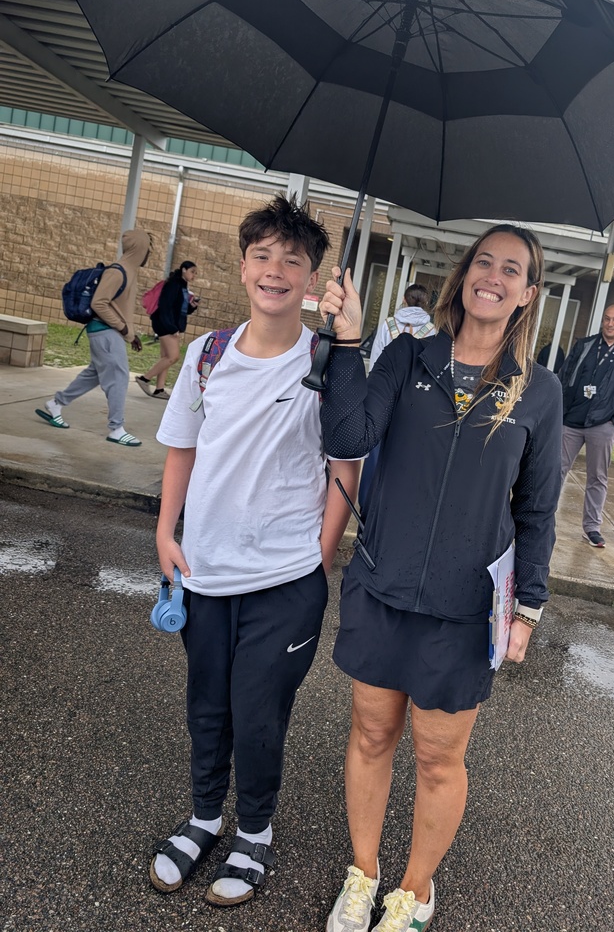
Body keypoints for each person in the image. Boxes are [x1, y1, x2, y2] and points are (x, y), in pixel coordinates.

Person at [319, 224, 562, 932]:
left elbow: (537, 508)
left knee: (437, 758)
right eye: (484, 261)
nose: (493, 276)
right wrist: (346, 343)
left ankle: (413, 891)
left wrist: (528, 608)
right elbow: (347, 437)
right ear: (463, 275)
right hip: (383, 585)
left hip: (465, 608)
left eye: (511, 269)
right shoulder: (408, 355)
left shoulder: (538, 392)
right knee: (371, 736)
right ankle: (362, 875)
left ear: (528, 293)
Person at [149, 195, 359, 910]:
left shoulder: (327, 361)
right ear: (242, 267)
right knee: (208, 706)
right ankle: (205, 818)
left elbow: (346, 465)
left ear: (312, 279)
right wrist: (166, 532)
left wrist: (319, 556)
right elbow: (182, 446)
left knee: (258, 712)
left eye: (292, 260)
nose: (275, 271)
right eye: (262, 256)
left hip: (285, 579)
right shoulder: (208, 355)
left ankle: (255, 833)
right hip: (205, 572)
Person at [34, 229, 151, 447]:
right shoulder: (117, 272)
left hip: (109, 332)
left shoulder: (130, 271)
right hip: (105, 331)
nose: (149, 254)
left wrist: (130, 334)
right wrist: (124, 329)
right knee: (119, 378)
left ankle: (56, 404)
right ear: (139, 249)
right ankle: (116, 429)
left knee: (94, 374)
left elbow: (119, 308)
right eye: (147, 249)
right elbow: (99, 303)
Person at [559, 304, 614, 548]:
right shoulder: (585, 345)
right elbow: (564, 376)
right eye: (607, 319)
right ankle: (542, 517)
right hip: (571, 421)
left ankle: (592, 528)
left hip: (603, 423)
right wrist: (560, 409)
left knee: (597, 477)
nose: (610, 324)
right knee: (555, 470)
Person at [359, 284, 435, 510]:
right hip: (412, 397)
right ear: (426, 303)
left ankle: (367, 502)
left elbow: (376, 360)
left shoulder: (388, 325)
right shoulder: (432, 330)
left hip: (383, 394)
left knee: (376, 447)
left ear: (404, 299)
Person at [135, 260, 199, 400]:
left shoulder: (182, 285)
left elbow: (179, 309)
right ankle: (145, 379)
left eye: (195, 273)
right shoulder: (173, 284)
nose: (194, 275)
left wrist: (192, 306)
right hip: (165, 324)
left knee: (166, 358)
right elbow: (165, 307)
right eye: (192, 272)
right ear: (184, 270)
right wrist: (172, 328)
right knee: (173, 357)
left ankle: (159, 389)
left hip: (168, 324)